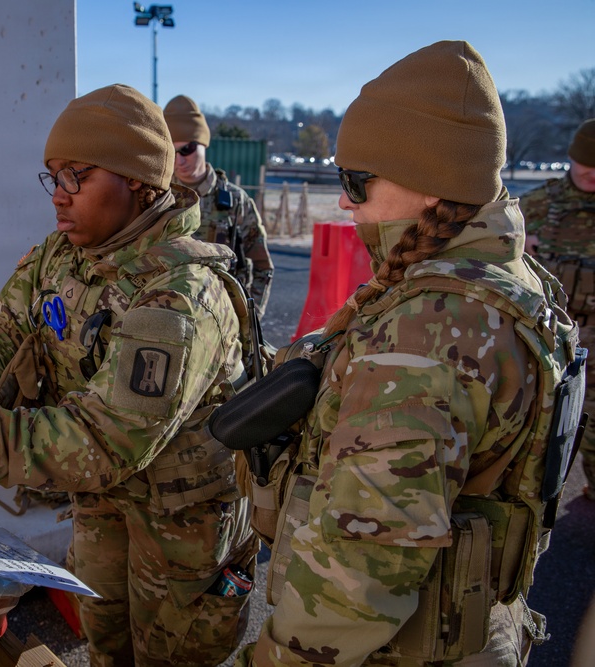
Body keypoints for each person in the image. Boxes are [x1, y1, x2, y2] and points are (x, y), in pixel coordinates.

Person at [0, 83, 259, 666]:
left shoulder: (180, 298)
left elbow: (108, 439)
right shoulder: (59, 258)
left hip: (182, 525)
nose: (58, 196)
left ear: (135, 179)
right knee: (107, 646)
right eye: (52, 177)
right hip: (103, 502)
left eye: (76, 176)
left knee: (170, 658)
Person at [231, 41, 583, 666]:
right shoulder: (510, 278)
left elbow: (358, 572)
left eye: (356, 182)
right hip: (473, 629)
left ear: (428, 184)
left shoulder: (430, 331)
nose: (344, 201)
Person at [520, 118, 595, 500]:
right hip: (550, 329)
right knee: (542, 421)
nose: (592, 174)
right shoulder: (536, 205)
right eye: (586, 164)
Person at [163, 95, 274, 324]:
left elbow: (262, 267)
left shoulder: (235, 201)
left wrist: (249, 320)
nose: (180, 160)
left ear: (204, 145)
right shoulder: (160, 198)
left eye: (187, 149)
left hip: (224, 322)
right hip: (170, 317)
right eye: (172, 152)